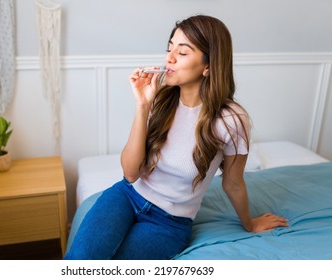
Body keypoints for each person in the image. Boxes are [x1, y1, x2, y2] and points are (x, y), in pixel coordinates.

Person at [64, 14, 288, 260]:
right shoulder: (160, 98)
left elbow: (233, 182)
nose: (169, 58)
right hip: (126, 196)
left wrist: (250, 223)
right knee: (80, 261)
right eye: (169, 48)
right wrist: (142, 106)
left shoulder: (230, 120)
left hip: (169, 224)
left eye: (182, 53)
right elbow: (130, 173)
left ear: (208, 66)